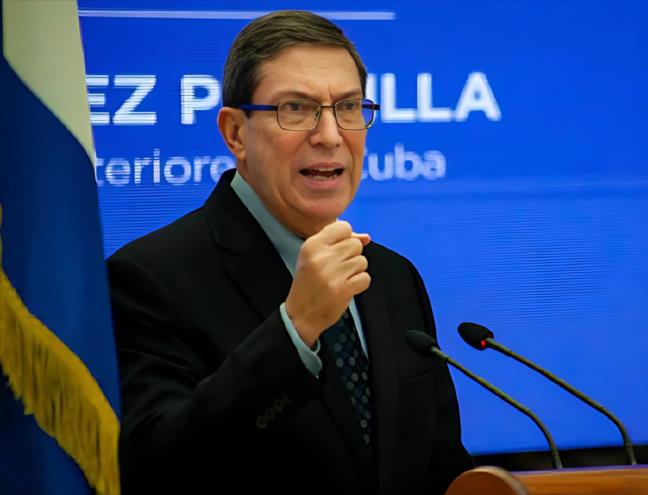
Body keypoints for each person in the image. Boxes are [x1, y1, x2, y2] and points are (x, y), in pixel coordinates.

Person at [107, 10, 473, 495]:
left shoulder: (391, 277)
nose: (330, 135)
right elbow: (156, 469)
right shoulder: (148, 279)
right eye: (296, 108)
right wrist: (295, 330)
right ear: (235, 133)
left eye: (348, 107)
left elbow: (440, 468)